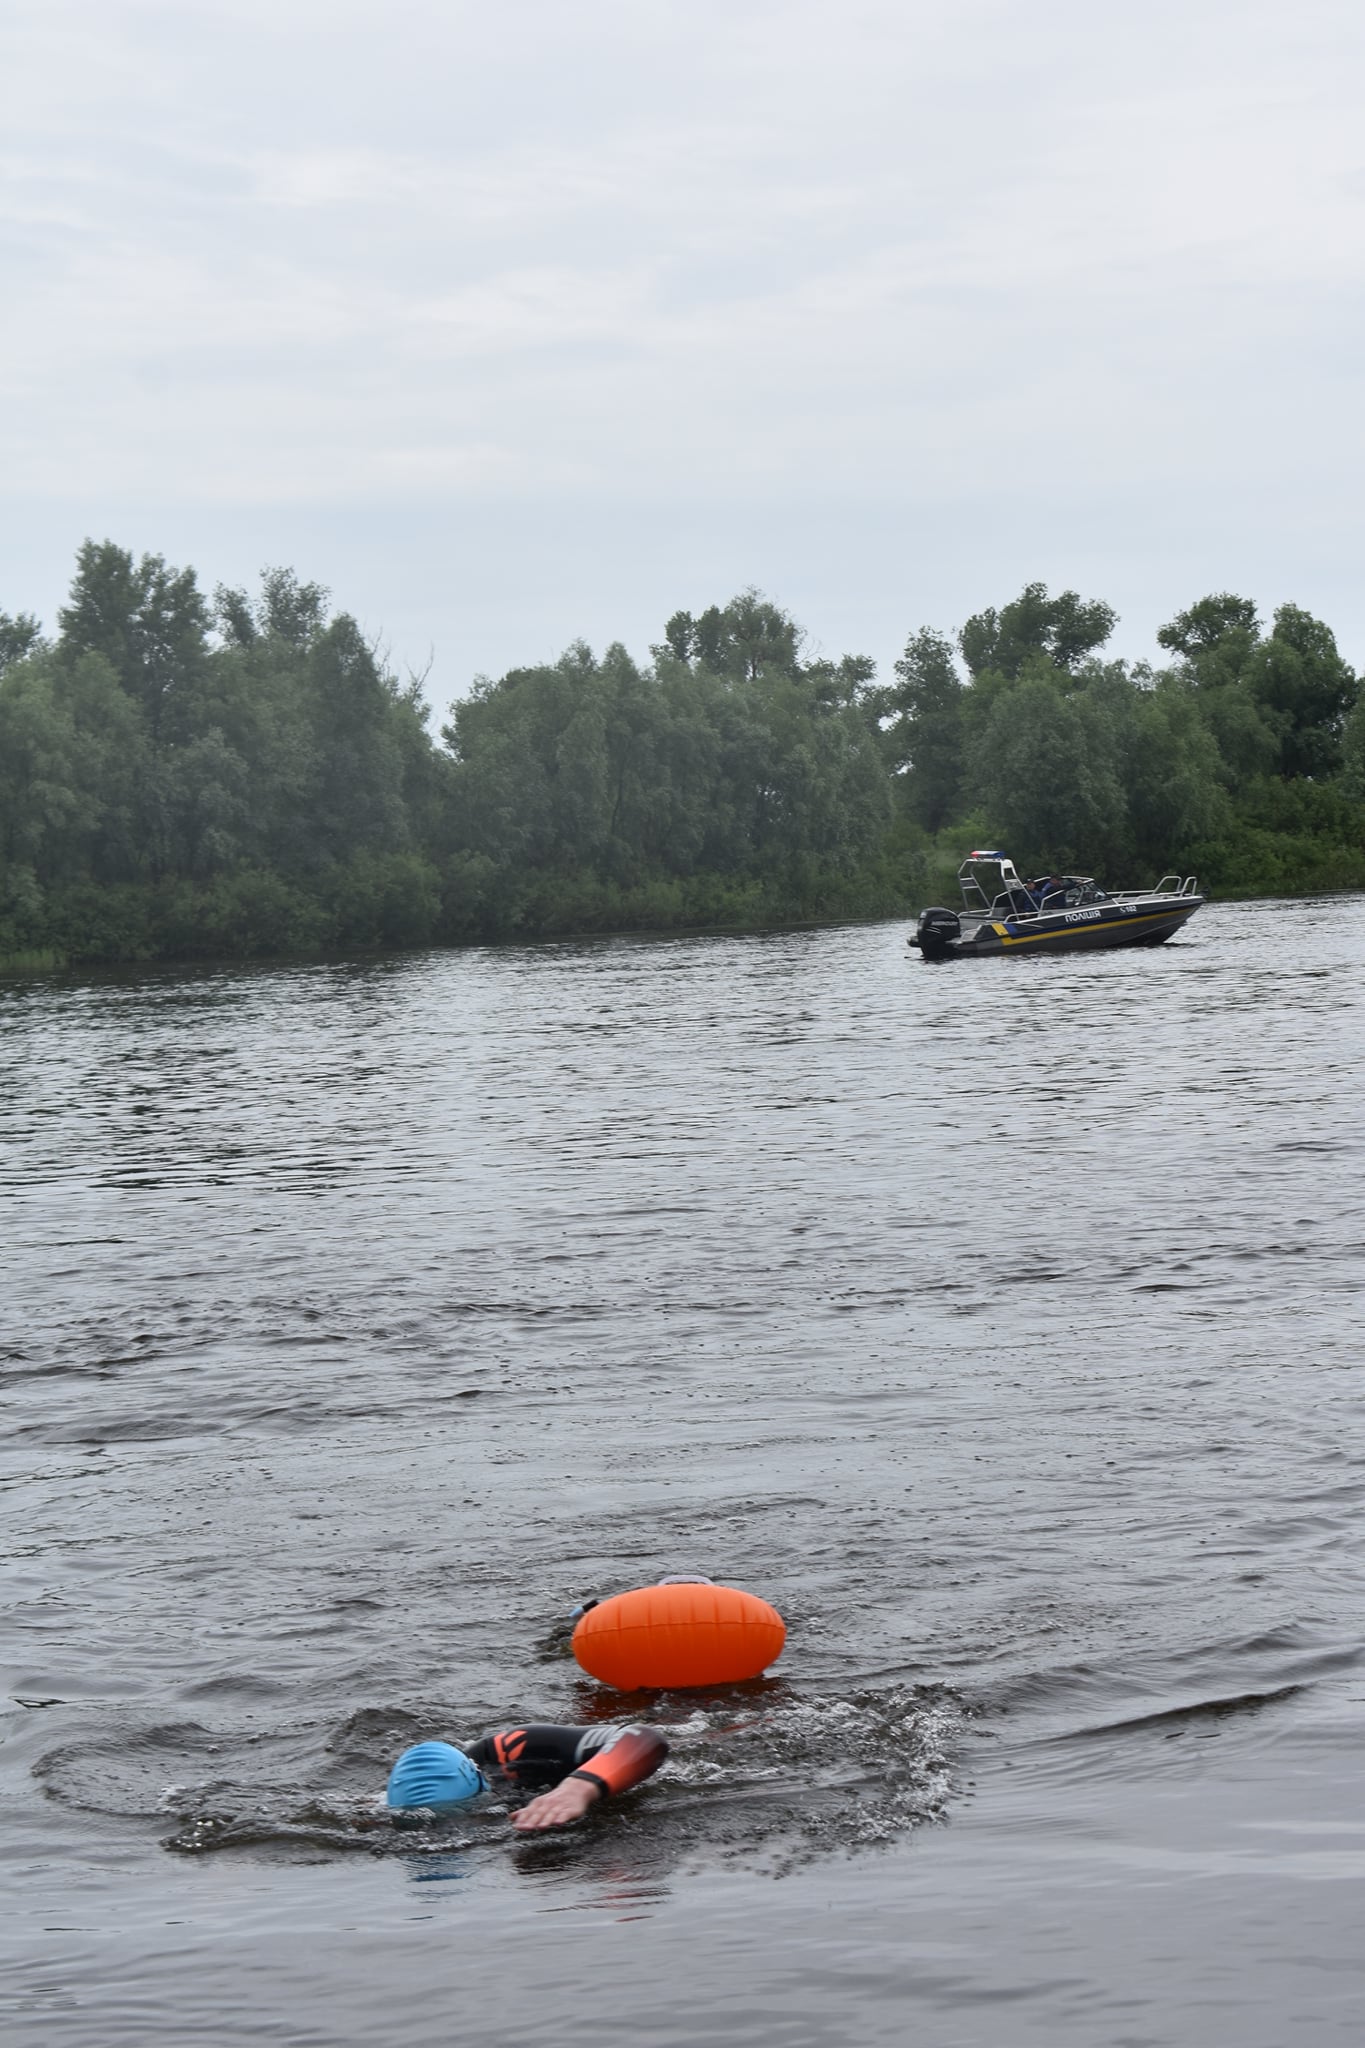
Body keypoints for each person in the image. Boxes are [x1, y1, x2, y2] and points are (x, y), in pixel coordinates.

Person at [385, 1722, 669, 1834]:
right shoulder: (397, 1806)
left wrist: (579, 1787)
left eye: (463, 1819)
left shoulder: (512, 1750)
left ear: (483, 1787)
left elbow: (646, 1737)